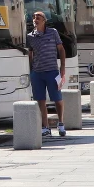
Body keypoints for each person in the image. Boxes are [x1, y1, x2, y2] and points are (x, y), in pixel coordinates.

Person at [26, 10, 67, 138]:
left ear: (44, 20)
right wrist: (31, 69)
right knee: (40, 100)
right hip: (37, 73)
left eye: (38, 17)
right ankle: (45, 127)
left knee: (57, 98)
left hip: (52, 71)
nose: (35, 19)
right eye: (33, 17)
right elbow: (30, 54)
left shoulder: (53, 32)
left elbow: (61, 49)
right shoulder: (30, 36)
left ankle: (61, 123)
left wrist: (63, 67)